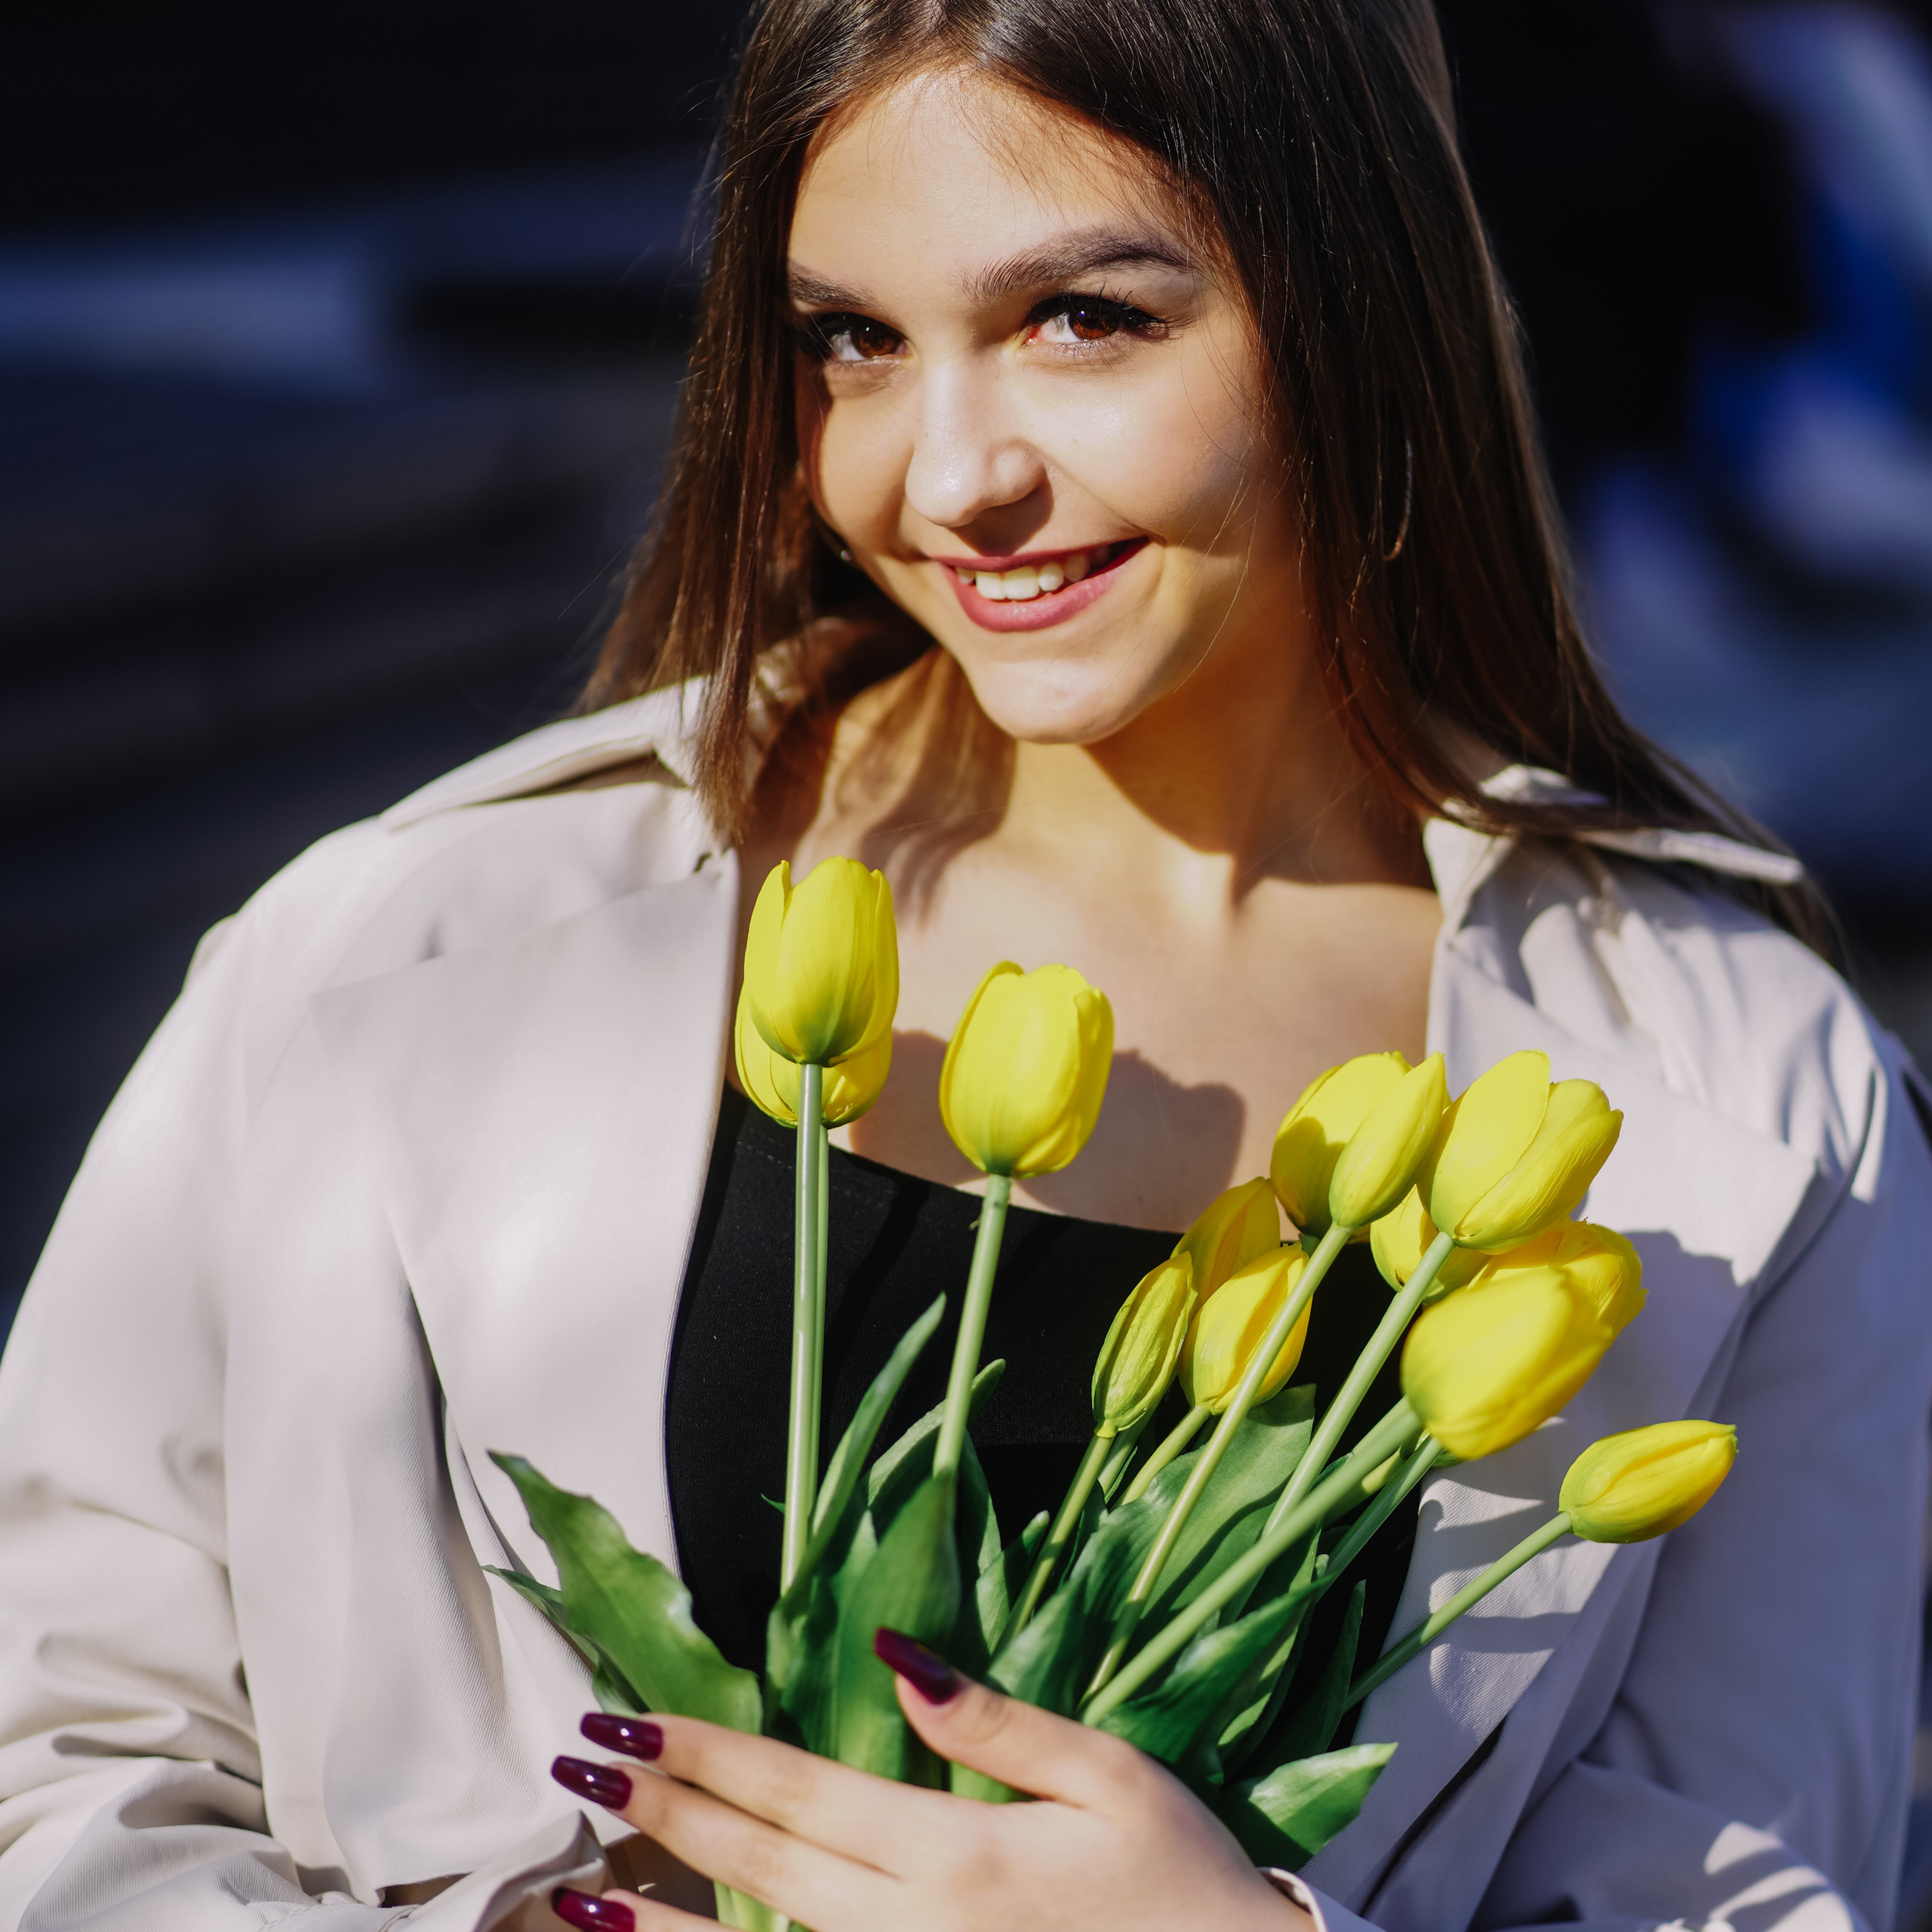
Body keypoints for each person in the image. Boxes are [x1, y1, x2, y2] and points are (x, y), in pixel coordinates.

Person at [2, 1, 1928, 1929]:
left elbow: (1771, 1883)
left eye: (1082, 319)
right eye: (854, 340)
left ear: (1358, 295)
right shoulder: (410, 940)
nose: (945, 481)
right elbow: (56, 1746)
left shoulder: (1753, 1105)